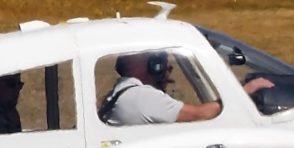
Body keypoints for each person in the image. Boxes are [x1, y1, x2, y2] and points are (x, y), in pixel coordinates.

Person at [100, 52, 273, 125]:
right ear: (153, 66)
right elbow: (199, 115)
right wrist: (246, 90)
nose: (168, 67)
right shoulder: (142, 97)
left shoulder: (120, 94)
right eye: (161, 61)